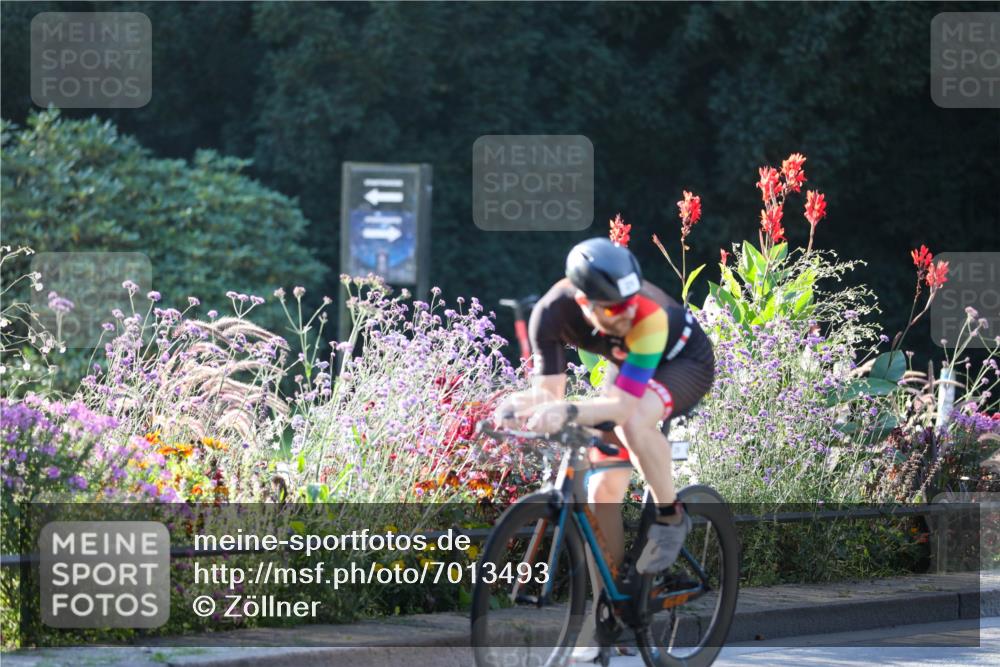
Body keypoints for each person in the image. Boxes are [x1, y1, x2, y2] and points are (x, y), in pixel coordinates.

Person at [493, 237, 715, 661]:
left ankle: (671, 517)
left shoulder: (647, 316)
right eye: (614, 307)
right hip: (628, 367)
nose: (626, 312)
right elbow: (548, 392)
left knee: (632, 422)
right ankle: (609, 620)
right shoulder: (551, 314)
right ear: (583, 301)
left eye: (629, 301)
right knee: (601, 493)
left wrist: (568, 410)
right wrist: (516, 404)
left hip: (683, 364)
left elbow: (621, 407)